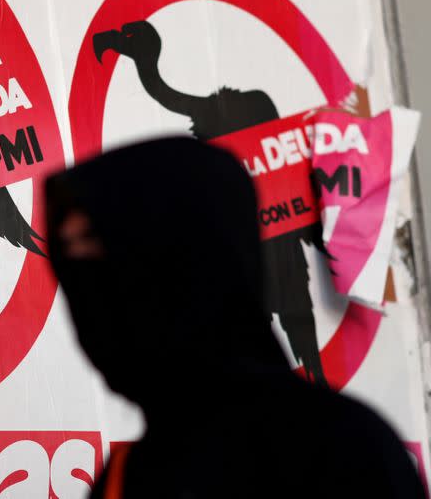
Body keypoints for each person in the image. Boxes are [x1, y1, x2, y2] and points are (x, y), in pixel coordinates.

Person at [45, 137, 425, 498]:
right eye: (69, 252)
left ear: (184, 259)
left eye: (96, 242)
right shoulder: (129, 476)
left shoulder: (342, 450)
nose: (89, 287)